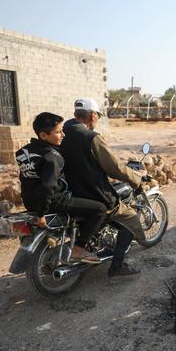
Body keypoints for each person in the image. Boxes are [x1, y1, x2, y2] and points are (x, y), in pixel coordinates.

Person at [60, 97, 150, 276]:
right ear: (92, 115)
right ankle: (117, 267)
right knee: (130, 218)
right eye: (98, 116)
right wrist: (137, 180)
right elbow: (114, 167)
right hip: (91, 192)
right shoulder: (91, 137)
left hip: (68, 193)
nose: (98, 119)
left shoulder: (60, 132)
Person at [15, 112, 107, 264]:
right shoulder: (52, 156)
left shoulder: (25, 152)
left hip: (30, 201)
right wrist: (41, 213)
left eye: (62, 130)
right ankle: (78, 249)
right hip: (52, 202)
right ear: (43, 135)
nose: (63, 134)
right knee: (100, 209)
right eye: (58, 132)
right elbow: (48, 186)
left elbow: (27, 179)